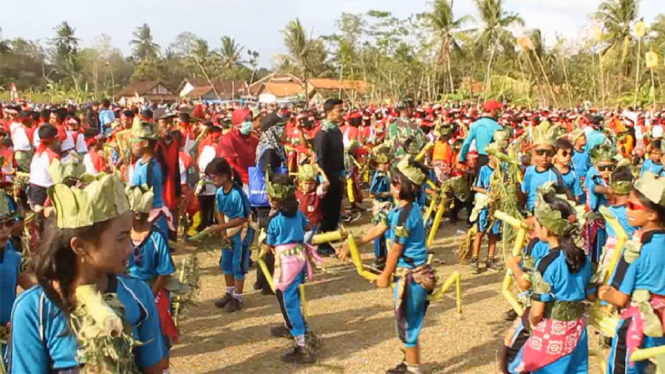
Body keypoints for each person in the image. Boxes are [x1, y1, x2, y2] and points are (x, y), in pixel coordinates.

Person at [8, 173, 166, 373]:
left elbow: (155, 367)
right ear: (80, 246)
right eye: (121, 238)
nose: (130, 247)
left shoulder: (138, 294)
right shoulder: (34, 310)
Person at [341, 156, 433, 374]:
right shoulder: (398, 211)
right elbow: (379, 228)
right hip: (408, 274)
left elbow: (396, 250)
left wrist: (384, 275)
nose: (391, 186)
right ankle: (409, 363)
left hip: (413, 277)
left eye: (395, 183)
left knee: (409, 325)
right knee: (404, 322)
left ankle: (414, 369)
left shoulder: (406, 214)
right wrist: (353, 243)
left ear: (406, 187)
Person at [503, 193, 591, 374]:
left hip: (553, 331)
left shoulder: (547, 263)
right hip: (577, 330)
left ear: (547, 229)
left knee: (517, 365)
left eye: (537, 224)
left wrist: (530, 324)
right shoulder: (583, 257)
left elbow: (536, 313)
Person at [600, 173, 665, 374]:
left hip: (636, 325)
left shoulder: (635, 249)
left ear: (652, 214)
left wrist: (601, 292)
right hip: (660, 320)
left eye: (632, 206)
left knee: (624, 367)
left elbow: (619, 298)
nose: (626, 210)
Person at [264, 174, 322, 364]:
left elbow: (269, 244)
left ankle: (301, 343)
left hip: (285, 263)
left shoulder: (275, 222)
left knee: (289, 302)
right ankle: (301, 333)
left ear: (275, 200)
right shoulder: (298, 215)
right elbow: (307, 227)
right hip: (300, 259)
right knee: (297, 298)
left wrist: (262, 246)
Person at [126, 185, 178, 370]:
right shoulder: (123, 237)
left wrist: (148, 295)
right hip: (129, 292)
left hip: (153, 291)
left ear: (138, 215)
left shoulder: (156, 237)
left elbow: (164, 272)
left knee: (159, 335)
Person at [208, 157, 252, 313]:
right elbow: (219, 210)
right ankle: (229, 292)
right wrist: (223, 230)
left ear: (225, 176)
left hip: (241, 231)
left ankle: (238, 297)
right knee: (226, 262)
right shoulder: (220, 192)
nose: (212, 180)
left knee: (238, 264)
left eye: (214, 177)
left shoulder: (237, 193)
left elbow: (243, 217)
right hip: (228, 230)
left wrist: (222, 226)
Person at [314, 99, 346, 257]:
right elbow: (319, 160)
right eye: (339, 110)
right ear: (329, 112)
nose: (341, 113)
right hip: (326, 179)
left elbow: (339, 157)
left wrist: (342, 176)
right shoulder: (323, 133)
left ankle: (327, 241)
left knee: (334, 212)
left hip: (336, 177)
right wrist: (323, 182)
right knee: (325, 212)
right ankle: (321, 244)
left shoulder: (336, 131)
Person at [129, 121, 172, 237]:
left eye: (134, 142)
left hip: (151, 219)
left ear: (145, 143)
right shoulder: (139, 163)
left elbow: (145, 199)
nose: (132, 145)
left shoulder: (151, 168)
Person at [470, 151, 501, 274]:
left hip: (497, 206)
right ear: (490, 156)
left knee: (494, 233)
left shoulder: (502, 171)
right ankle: (475, 258)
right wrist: (488, 192)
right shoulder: (483, 170)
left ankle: (490, 259)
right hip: (485, 205)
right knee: (480, 232)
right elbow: (475, 187)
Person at [521, 122, 560, 212]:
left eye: (549, 153)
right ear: (533, 152)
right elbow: (525, 194)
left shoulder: (554, 174)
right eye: (540, 152)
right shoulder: (529, 171)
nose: (544, 157)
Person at [458, 99, 503, 172]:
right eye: (498, 109)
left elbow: (467, 142)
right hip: (494, 161)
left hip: (480, 160)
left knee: (480, 181)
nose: (499, 112)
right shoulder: (498, 127)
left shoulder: (475, 124)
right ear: (493, 110)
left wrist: (462, 158)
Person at [27, 124, 61, 207]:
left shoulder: (37, 154)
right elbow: (57, 179)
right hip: (45, 192)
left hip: (34, 190)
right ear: (55, 139)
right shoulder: (53, 156)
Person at [295, 164, 329, 244]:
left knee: (305, 243)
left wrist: (320, 171)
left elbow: (326, 183)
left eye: (311, 183)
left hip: (313, 225)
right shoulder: (297, 194)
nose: (308, 186)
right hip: (300, 225)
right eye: (306, 183)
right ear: (300, 183)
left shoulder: (317, 193)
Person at [369, 150, 392, 270]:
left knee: (388, 233)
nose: (387, 165)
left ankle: (387, 257)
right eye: (384, 163)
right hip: (381, 207)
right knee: (379, 233)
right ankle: (379, 257)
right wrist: (389, 193)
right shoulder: (379, 176)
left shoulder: (387, 175)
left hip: (388, 206)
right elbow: (372, 193)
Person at [553, 138, 584, 202]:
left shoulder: (574, 174)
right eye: (564, 153)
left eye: (571, 153)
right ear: (555, 155)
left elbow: (577, 197)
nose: (568, 156)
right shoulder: (549, 172)